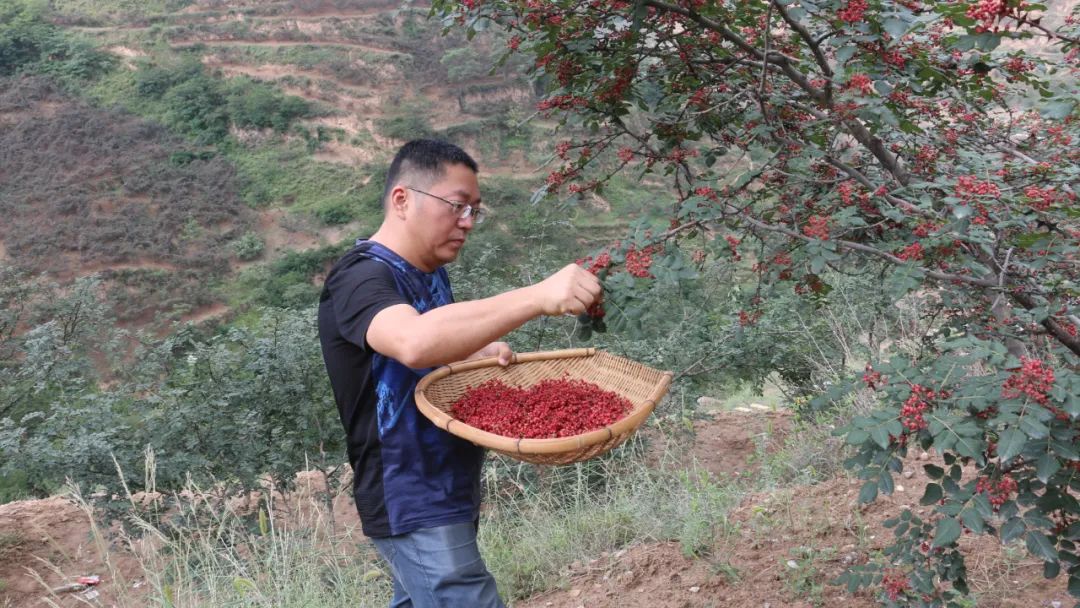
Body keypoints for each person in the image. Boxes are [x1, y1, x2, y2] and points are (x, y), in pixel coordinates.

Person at [317, 139, 602, 608]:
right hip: (410, 493)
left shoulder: (426, 273)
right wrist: (535, 296)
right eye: (457, 206)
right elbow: (412, 342)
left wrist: (471, 351)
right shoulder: (360, 278)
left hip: (446, 482)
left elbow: (424, 350)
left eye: (474, 210)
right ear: (403, 199)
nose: (467, 222)